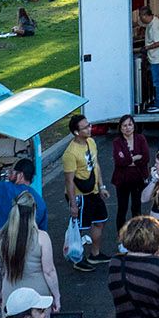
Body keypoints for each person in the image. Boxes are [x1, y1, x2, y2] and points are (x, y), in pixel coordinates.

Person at [0, 191, 59, 318]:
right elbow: (49, 272)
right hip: (39, 296)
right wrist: (57, 296)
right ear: (34, 211)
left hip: (10, 293)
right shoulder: (42, 238)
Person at [59, 115, 107, 272]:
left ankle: (95, 254)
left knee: (100, 221)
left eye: (89, 125)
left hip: (93, 192)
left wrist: (101, 186)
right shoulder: (70, 154)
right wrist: (73, 205)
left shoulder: (91, 142)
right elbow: (69, 181)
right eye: (85, 127)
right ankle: (77, 258)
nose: (89, 128)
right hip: (80, 196)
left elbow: (96, 165)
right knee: (79, 227)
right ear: (75, 132)